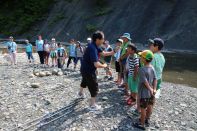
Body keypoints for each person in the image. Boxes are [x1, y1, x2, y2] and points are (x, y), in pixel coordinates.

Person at [78, 31, 115, 111]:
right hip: (89, 70)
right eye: (103, 39)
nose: (104, 40)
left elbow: (104, 54)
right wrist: (104, 65)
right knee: (94, 86)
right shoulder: (92, 48)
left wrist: (114, 51)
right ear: (98, 39)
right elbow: (96, 64)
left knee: (84, 81)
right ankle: (92, 105)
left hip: (84, 68)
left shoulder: (95, 45)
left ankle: (80, 93)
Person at [133, 50, 157, 130]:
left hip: (144, 93)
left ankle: (142, 124)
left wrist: (150, 89)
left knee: (143, 108)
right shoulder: (152, 68)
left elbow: (145, 81)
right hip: (152, 93)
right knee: (150, 106)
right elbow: (155, 79)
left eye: (141, 57)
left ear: (144, 59)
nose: (140, 58)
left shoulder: (141, 69)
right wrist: (154, 89)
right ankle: (147, 119)